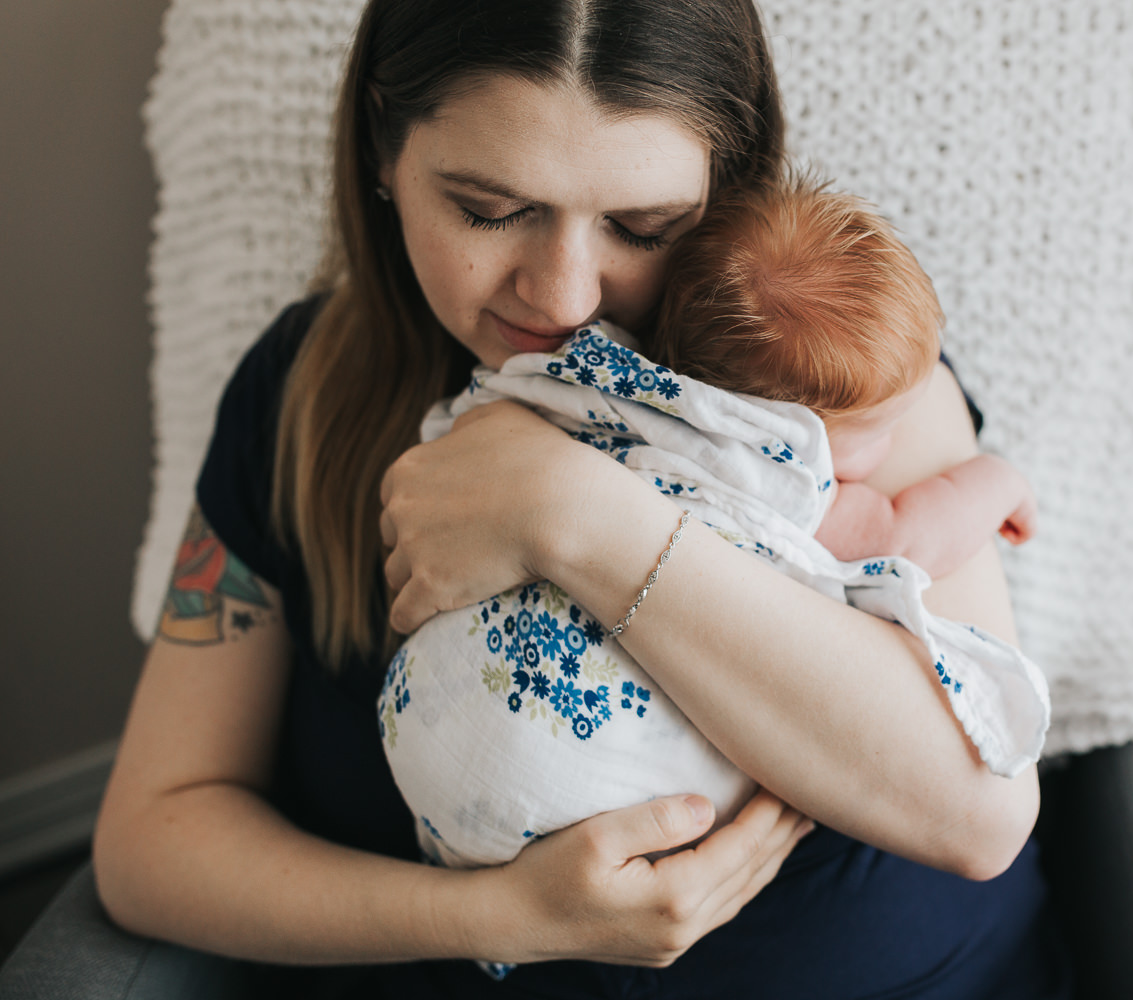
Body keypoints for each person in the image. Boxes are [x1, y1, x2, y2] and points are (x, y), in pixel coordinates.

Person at [93, 1, 1069, 997]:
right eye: (487, 208)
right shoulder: (306, 393)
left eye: (640, 228)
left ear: (723, 188)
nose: (561, 298)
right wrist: (493, 916)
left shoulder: (820, 384)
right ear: (385, 148)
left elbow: (977, 811)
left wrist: (567, 510)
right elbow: (149, 841)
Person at [650, 170, 1038, 577]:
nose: (896, 441)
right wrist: (1002, 483)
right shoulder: (777, 480)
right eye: (877, 434)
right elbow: (901, 540)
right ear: (791, 432)